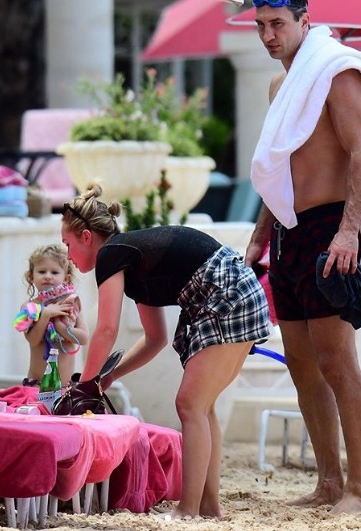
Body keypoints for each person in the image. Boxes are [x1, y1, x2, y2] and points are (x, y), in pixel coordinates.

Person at [245, 0, 361, 516]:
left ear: (304, 22)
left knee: (337, 360)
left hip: (330, 228)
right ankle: (329, 482)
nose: (268, 35)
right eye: (260, 26)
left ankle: (360, 490)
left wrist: (348, 232)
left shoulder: (339, 72)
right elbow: (280, 170)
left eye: (277, 24)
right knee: (300, 363)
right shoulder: (280, 86)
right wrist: (259, 236)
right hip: (288, 233)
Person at [60, 184, 271, 519]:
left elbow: (106, 330)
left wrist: (84, 385)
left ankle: (187, 511)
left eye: (67, 244)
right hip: (237, 291)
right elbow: (154, 338)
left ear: (86, 237)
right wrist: (106, 377)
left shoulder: (111, 254)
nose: (68, 255)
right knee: (202, 407)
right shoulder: (131, 259)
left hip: (226, 293)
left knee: (190, 404)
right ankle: (208, 507)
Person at [14, 243, 89, 386]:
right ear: (31, 277)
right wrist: (46, 315)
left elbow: (83, 338)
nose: (48, 276)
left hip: (64, 387)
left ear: (66, 278)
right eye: (42, 272)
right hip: (36, 385)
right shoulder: (30, 307)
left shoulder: (72, 303)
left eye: (54, 272)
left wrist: (60, 327)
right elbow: (33, 340)